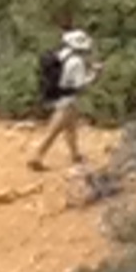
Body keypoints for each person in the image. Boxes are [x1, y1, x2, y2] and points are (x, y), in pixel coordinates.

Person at [30, 24, 99, 171]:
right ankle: (37, 155)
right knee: (53, 131)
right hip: (67, 99)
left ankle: (75, 154)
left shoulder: (61, 55)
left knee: (71, 127)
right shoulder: (77, 61)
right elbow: (80, 85)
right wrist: (94, 74)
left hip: (59, 95)